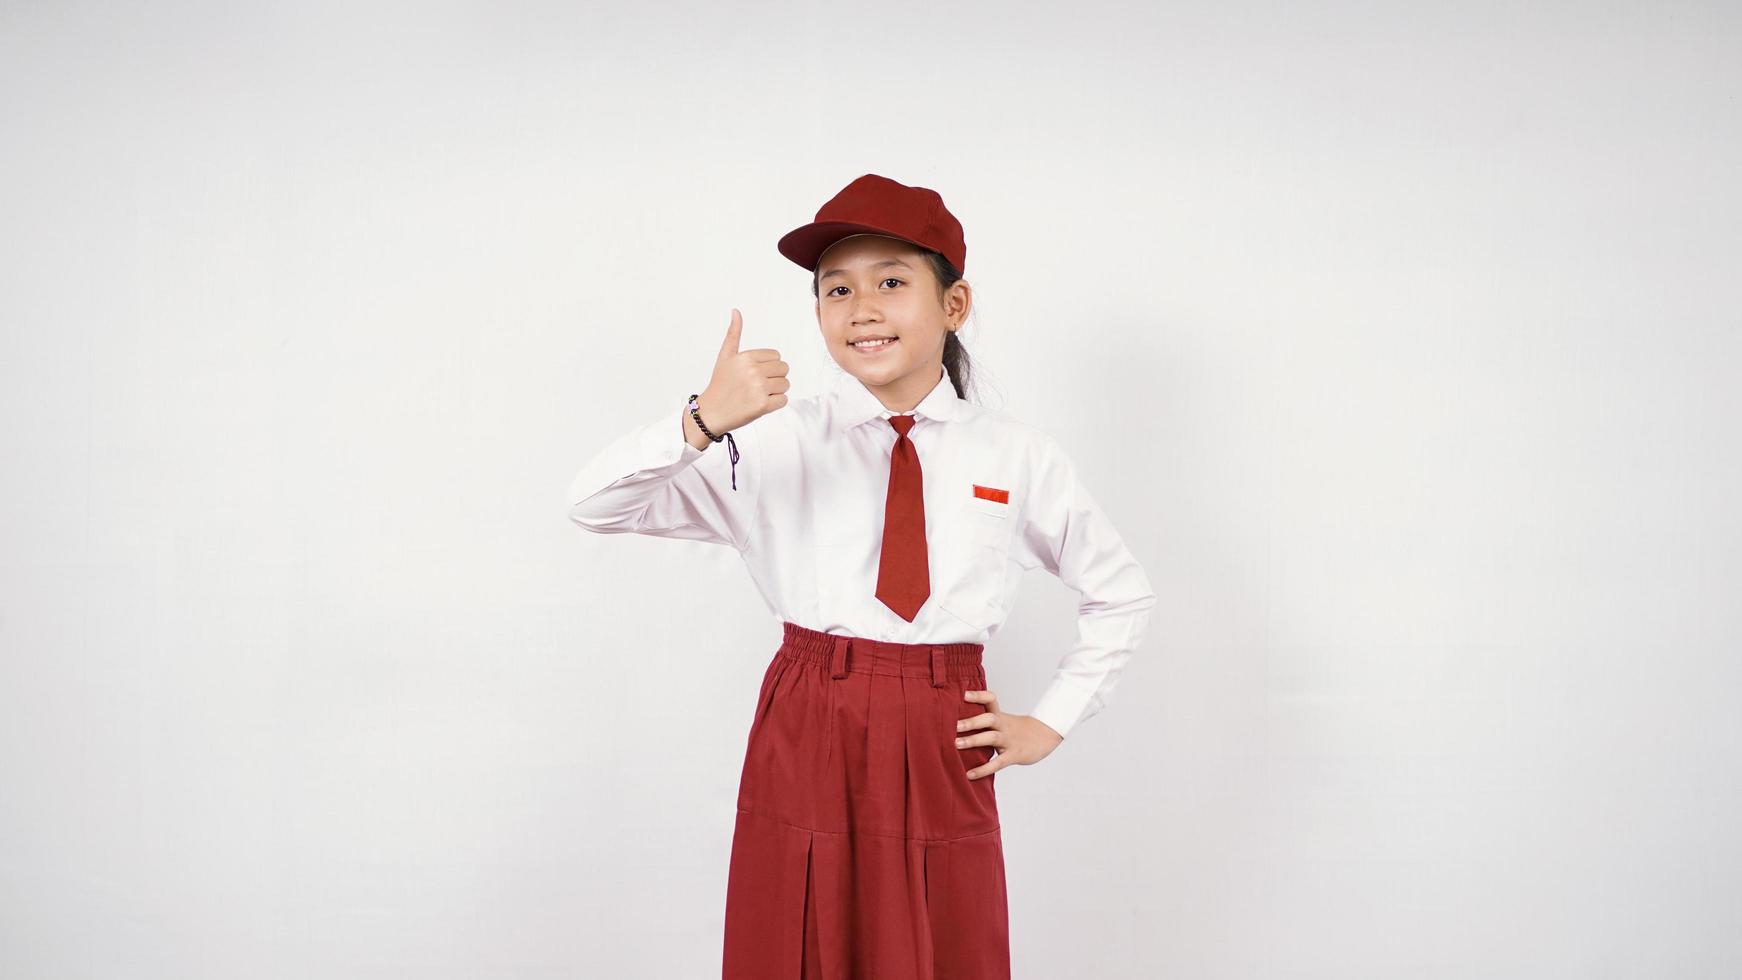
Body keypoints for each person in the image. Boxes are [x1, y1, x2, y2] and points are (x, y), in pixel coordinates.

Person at [566, 173, 1157, 979]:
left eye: (891, 281)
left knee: (944, 939)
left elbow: (1120, 590)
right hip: (811, 709)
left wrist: (1050, 722)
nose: (862, 308)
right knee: (796, 935)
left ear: (953, 305)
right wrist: (700, 419)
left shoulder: (1015, 455)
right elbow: (598, 506)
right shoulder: (776, 441)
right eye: (835, 289)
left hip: (941, 722)